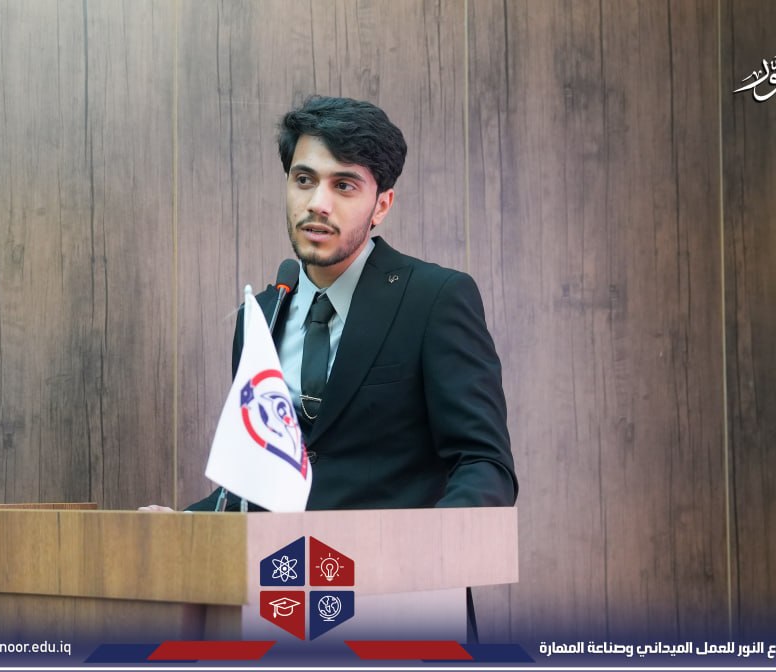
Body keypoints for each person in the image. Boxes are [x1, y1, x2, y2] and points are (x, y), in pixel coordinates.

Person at [143, 96, 517, 513]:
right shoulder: (261, 315)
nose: (317, 203)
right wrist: (183, 525)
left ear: (381, 205)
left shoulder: (434, 299)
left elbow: (484, 465)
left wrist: (429, 544)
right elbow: (261, 477)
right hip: (286, 558)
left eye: (344, 185)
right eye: (304, 179)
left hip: (397, 556)